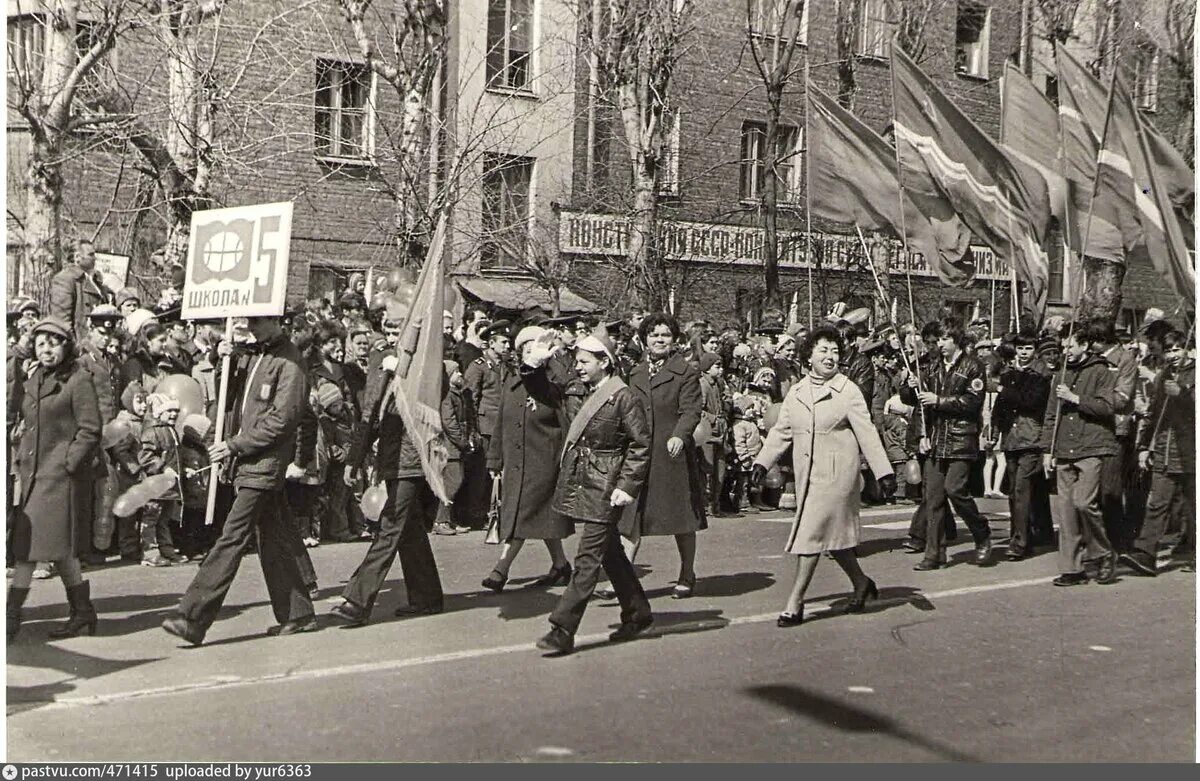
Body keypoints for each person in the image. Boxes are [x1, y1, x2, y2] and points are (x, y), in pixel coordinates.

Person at [161, 315, 317, 645]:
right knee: (271, 537)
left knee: (232, 536)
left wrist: (234, 445)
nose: (252, 326)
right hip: (245, 462)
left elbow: (282, 420)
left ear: (277, 320)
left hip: (264, 462)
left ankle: (192, 616)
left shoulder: (291, 362)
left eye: (259, 321)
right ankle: (298, 613)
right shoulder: (249, 353)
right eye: (250, 321)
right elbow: (228, 398)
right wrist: (222, 359)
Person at [751, 325, 896, 626]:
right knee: (834, 539)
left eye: (835, 351)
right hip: (808, 475)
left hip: (837, 474)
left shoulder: (848, 390)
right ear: (809, 355)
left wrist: (884, 471)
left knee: (812, 533)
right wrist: (761, 463)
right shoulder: (798, 392)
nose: (830, 357)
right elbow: (782, 431)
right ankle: (861, 583)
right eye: (823, 350)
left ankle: (795, 601)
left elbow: (867, 432)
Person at [536, 329, 652, 655]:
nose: (580, 366)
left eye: (585, 361)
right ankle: (637, 611)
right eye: (577, 361)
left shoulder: (623, 396)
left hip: (608, 485)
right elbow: (546, 390)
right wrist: (537, 362)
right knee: (610, 552)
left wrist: (626, 487)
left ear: (605, 361)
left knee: (588, 557)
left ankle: (563, 627)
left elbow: (640, 445)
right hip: (586, 480)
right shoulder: (582, 391)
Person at [329, 312, 448, 626]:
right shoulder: (380, 357)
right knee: (407, 530)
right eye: (390, 325)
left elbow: (436, 395)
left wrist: (406, 377)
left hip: (413, 457)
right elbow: (371, 413)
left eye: (401, 325)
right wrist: (356, 459)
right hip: (390, 457)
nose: (394, 331)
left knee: (390, 526)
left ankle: (357, 600)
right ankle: (427, 597)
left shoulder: (426, 360)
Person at [8, 316, 103, 643]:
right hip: (33, 475)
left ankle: (10, 617)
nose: (46, 349)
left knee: (28, 551)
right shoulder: (33, 378)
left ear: (67, 346)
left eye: (54, 342)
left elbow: (90, 428)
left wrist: (68, 462)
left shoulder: (78, 380)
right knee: (57, 550)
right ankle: (82, 612)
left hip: (59, 478)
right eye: (40, 342)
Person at [481, 326, 574, 592]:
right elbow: (500, 424)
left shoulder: (553, 383)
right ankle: (560, 565)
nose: (531, 352)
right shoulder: (511, 385)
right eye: (526, 348)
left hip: (544, 462)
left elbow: (561, 418)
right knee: (538, 517)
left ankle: (500, 569)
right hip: (515, 463)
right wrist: (494, 460)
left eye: (536, 347)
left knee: (522, 514)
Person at [621, 313, 707, 598]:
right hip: (641, 453)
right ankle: (623, 576)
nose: (659, 340)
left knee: (681, 518)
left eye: (665, 335)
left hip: (672, 455)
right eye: (654, 335)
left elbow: (691, 410)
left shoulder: (685, 371)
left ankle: (687, 573)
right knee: (631, 515)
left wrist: (679, 436)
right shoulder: (635, 372)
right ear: (644, 339)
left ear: (674, 340)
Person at [901, 317, 991, 570]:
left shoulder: (973, 366)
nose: (939, 345)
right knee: (933, 498)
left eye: (944, 339)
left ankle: (981, 532)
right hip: (934, 439)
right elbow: (916, 403)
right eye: (937, 340)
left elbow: (972, 402)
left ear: (956, 340)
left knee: (956, 490)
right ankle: (934, 553)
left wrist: (939, 400)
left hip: (961, 439)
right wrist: (910, 389)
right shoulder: (930, 367)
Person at [1041, 326, 1119, 587]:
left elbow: (1108, 407)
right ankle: (1072, 568)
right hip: (1063, 448)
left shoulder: (1101, 371)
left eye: (1071, 346)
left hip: (1091, 445)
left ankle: (1103, 553)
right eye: (1064, 346)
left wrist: (1075, 398)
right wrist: (1047, 450)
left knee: (1084, 502)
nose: (1066, 351)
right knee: (1065, 511)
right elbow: (1051, 414)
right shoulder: (1060, 374)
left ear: (1085, 345)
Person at [1122, 329, 1195, 575]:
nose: (1174, 355)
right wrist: (1144, 447)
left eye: (1178, 349)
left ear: (1191, 348)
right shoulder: (1164, 375)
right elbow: (1153, 414)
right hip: (1165, 448)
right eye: (1169, 350)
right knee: (1157, 503)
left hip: (1192, 452)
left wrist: (1184, 395)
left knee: (1193, 507)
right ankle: (1146, 553)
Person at [992, 330, 1053, 559]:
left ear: (1034, 350)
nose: (1024, 353)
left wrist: (1002, 389)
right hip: (1011, 438)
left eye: (1028, 348)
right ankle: (1027, 534)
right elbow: (1001, 407)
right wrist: (994, 430)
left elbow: (1030, 401)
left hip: (1030, 438)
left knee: (1021, 489)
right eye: (1020, 348)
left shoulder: (1042, 374)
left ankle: (1019, 542)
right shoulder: (1010, 374)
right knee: (1015, 492)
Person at [49, 240, 108, 338]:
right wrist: (74, 348)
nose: (95, 258)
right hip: (81, 345)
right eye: (91, 255)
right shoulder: (65, 279)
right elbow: (61, 322)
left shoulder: (94, 280)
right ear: (77, 257)